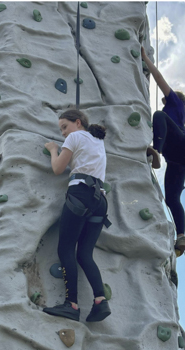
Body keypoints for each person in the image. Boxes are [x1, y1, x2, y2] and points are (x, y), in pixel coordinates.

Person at [42, 109, 111, 323]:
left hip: (80, 193)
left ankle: (71, 304)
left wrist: (54, 149)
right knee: (84, 254)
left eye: (64, 126)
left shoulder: (75, 136)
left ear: (78, 122)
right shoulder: (97, 141)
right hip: (99, 199)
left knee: (65, 248)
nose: (63, 133)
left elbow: (58, 168)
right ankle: (100, 300)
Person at [141, 46, 185, 256]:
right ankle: (181, 237)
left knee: (159, 116)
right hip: (181, 158)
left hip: (179, 147)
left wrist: (145, 58)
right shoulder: (179, 114)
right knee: (172, 199)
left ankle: (157, 150)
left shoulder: (175, 103)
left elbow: (158, 78)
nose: (165, 98)